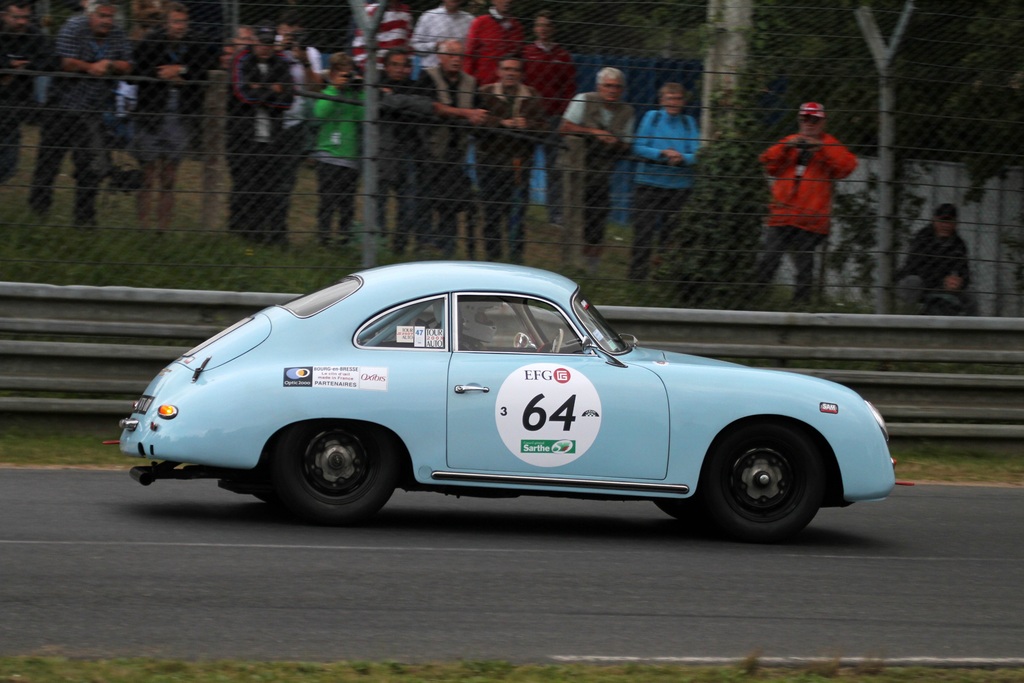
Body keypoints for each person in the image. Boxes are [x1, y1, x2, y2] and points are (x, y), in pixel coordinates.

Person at [28, 0, 132, 228]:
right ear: (90, 15)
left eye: (110, 16)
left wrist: (110, 64)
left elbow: (128, 64)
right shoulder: (73, 27)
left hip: (92, 110)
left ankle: (84, 221)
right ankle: (37, 214)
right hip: (62, 107)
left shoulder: (117, 34)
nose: (107, 21)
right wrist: (89, 67)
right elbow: (63, 62)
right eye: (102, 15)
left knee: (89, 167)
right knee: (48, 162)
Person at [756, 101, 857, 305]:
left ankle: (800, 305)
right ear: (799, 120)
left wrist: (821, 148)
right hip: (782, 214)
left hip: (810, 218)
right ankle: (756, 299)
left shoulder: (829, 144)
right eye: (805, 119)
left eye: (814, 120)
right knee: (769, 258)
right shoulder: (790, 142)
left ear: (822, 122)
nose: (809, 124)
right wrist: (786, 146)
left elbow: (847, 167)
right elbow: (767, 163)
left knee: (804, 265)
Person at [131, 2, 208, 230]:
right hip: (152, 113)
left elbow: (203, 69)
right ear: (166, 22)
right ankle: (142, 226)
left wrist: (180, 70)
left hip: (180, 116)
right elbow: (135, 72)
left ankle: (162, 228)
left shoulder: (196, 43)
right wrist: (160, 74)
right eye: (175, 21)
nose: (180, 26)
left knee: (169, 176)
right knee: (148, 173)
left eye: (183, 21)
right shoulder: (151, 42)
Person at [417, 38, 488, 257]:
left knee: (451, 202)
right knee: (425, 199)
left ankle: (446, 248)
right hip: (429, 150)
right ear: (440, 56)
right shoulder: (428, 77)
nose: (456, 60)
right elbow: (431, 108)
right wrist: (466, 114)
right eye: (451, 55)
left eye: (459, 55)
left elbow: (478, 112)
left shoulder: (471, 83)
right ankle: (423, 245)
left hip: (457, 152)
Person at [559, 66, 634, 274]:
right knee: (574, 214)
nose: (612, 90)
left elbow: (627, 144)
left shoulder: (627, 111)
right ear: (599, 86)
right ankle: (570, 263)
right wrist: (594, 132)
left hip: (602, 171)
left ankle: (591, 268)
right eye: (608, 86)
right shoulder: (583, 99)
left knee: (597, 217)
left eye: (617, 87)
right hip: (576, 166)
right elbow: (565, 127)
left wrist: (614, 141)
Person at [225, 23, 294, 244]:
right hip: (242, 136)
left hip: (272, 136)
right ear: (253, 41)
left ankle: (266, 234)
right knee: (244, 185)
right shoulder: (242, 59)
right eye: (260, 42)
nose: (264, 48)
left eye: (268, 43)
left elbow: (288, 99)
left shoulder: (282, 61)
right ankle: (242, 233)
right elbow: (242, 94)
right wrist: (271, 90)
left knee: (269, 187)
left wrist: (259, 89)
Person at [477, 55, 545, 262]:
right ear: (498, 71)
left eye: (515, 70)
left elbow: (545, 127)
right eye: (506, 69)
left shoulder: (532, 96)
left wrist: (528, 125)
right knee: (491, 214)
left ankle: (515, 259)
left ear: (521, 74)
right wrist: (501, 123)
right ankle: (492, 259)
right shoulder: (485, 93)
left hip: (519, 164)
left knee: (516, 215)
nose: (510, 73)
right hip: (490, 161)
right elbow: (475, 121)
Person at [629, 82, 700, 280]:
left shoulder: (689, 123)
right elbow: (638, 147)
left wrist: (683, 158)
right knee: (643, 233)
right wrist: (661, 153)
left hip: (679, 187)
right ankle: (637, 278)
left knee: (671, 236)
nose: (674, 103)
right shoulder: (652, 118)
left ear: (683, 101)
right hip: (648, 184)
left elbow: (699, 153)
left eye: (678, 99)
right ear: (662, 100)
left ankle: (664, 276)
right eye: (669, 98)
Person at [272, 11, 325, 238]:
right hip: (272, 119)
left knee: (287, 180)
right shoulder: (270, 45)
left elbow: (316, 88)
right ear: (280, 29)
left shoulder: (310, 53)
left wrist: (302, 59)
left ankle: (279, 229)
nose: (290, 35)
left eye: (295, 31)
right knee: (266, 176)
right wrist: (280, 49)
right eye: (286, 29)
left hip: (295, 121)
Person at [521, 9, 575, 227]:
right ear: (535, 28)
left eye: (547, 26)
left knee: (555, 168)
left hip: (553, 118)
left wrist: (562, 114)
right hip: (529, 117)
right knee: (524, 164)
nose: (543, 30)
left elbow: (569, 89)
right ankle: (520, 207)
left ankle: (556, 214)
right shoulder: (526, 53)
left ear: (553, 29)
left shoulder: (563, 57)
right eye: (540, 25)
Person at [377, 47, 432, 254]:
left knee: (408, 203)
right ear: (386, 66)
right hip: (382, 151)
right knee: (378, 200)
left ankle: (399, 246)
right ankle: (377, 246)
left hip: (410, 150)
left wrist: (394, 101)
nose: (400, 70)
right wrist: (406, 104)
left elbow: (426, 105)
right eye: (395, 65)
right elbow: (381, 102)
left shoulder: (415, 86)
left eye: (404, 65)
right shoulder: (376, 84)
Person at [311, 52, 363, 247]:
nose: (346, 78)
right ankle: (323, 236)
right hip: (328, 156)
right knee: (327, 199)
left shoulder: (353, 94)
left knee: (347, 202)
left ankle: (344, 237)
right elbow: (320, 113)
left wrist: (359, 91)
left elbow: (362, 115)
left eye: (349, 74)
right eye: (343, 74)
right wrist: (335, 90)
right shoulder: (328, 93)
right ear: (332, 74)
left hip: (350, 157)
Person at [0, 0, 52, 185]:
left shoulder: (33, 34)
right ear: (3, 15)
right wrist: (8, 66)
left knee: (7, 165)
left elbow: (50, 60)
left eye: (25, 18)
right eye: (16, 17)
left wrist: (20, 68)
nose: (22, 22)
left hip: (15, 103)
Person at [895, 203, 978, 315]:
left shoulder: (959, 244)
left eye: (949, 221)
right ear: (934, 221)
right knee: (913, 282)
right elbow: (912, 269)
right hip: (921, 284)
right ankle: (907, 319)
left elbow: (965, 274)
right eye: (942, 221)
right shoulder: (922, 238)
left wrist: (958, 283)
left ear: (955, 224)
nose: (945, 225)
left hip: (943, 288)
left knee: (970, 295)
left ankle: (970, 329)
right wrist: (942, 281)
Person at [463, 0, 523, 86]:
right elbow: (470, 54)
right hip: (483, 83)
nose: (507, 1)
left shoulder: (517, 27)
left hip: (508, 85)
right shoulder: (481, 22)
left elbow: (519, 57)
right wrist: (468, 82)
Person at [351, 0, 413, 73]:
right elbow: (359, 43)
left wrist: (408, 63)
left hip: (399, 69)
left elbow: (409, 40)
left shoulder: (406, 11)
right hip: (375, 68)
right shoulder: (371, 10)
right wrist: (365, 67)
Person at [410, 0, 472, 71]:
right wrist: (436, 45)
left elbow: (471, 49)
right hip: (429, 70)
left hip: (457, 72)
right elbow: (415, 46)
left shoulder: (469, 20)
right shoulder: (429, 16)